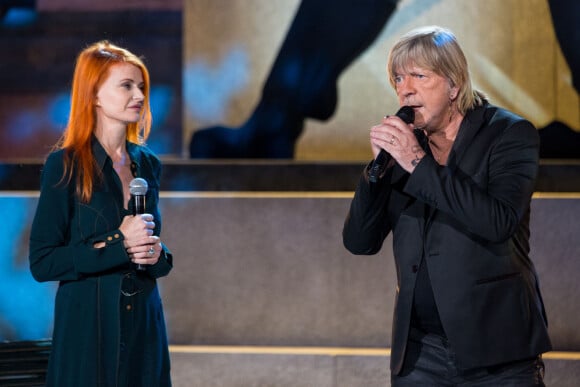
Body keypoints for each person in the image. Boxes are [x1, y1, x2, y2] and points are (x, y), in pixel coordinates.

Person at [342, 26, 552, 385]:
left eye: (418, 76)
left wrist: (417, 163)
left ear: (454, 84)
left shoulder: (508, 135)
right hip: (420, 353)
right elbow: (359, 242)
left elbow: (498, 222)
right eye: (397, 78)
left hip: (497, 352)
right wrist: (375, 176)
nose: (404, 89)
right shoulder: (408, 148)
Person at [28, 41, 173, 387]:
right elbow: (43, 261)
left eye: (141, 86)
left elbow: (153, 248)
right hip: (88, 330)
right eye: (126, 85)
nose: (138, 94)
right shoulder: (65, 165)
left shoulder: (147, 163)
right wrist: (119, 240)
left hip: (143, 325)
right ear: (93, 95)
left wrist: (157, 254)